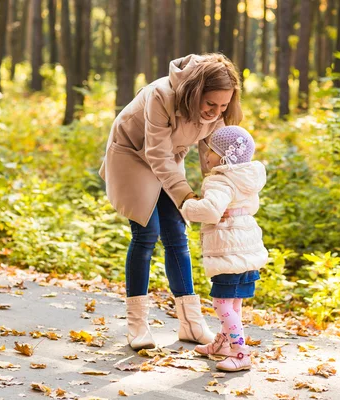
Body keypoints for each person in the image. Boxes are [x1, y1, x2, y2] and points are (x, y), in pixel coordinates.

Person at [99, 54, 243, 350]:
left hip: (166, 159)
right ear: (194, 93)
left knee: (177, 234)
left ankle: (190, 323)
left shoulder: (216, 114)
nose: (216, 112)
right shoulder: (161, 95)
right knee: (146, 232)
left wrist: (215, 197)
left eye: (223, 106)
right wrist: (186, 196)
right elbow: (156, 153)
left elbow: (211, 157)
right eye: (210, 104)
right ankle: (137, 325)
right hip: (132, 154)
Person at [180, 126, 268, 372]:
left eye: (211, 149)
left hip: (228, 249)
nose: (206, 154)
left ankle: (241, 353)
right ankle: (223, 344)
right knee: (234, 302)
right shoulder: (247, 177)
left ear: (224, 156)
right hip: (247, 248)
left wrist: (187, 206)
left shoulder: (220, 180)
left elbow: (209, 211)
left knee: (221, 303)